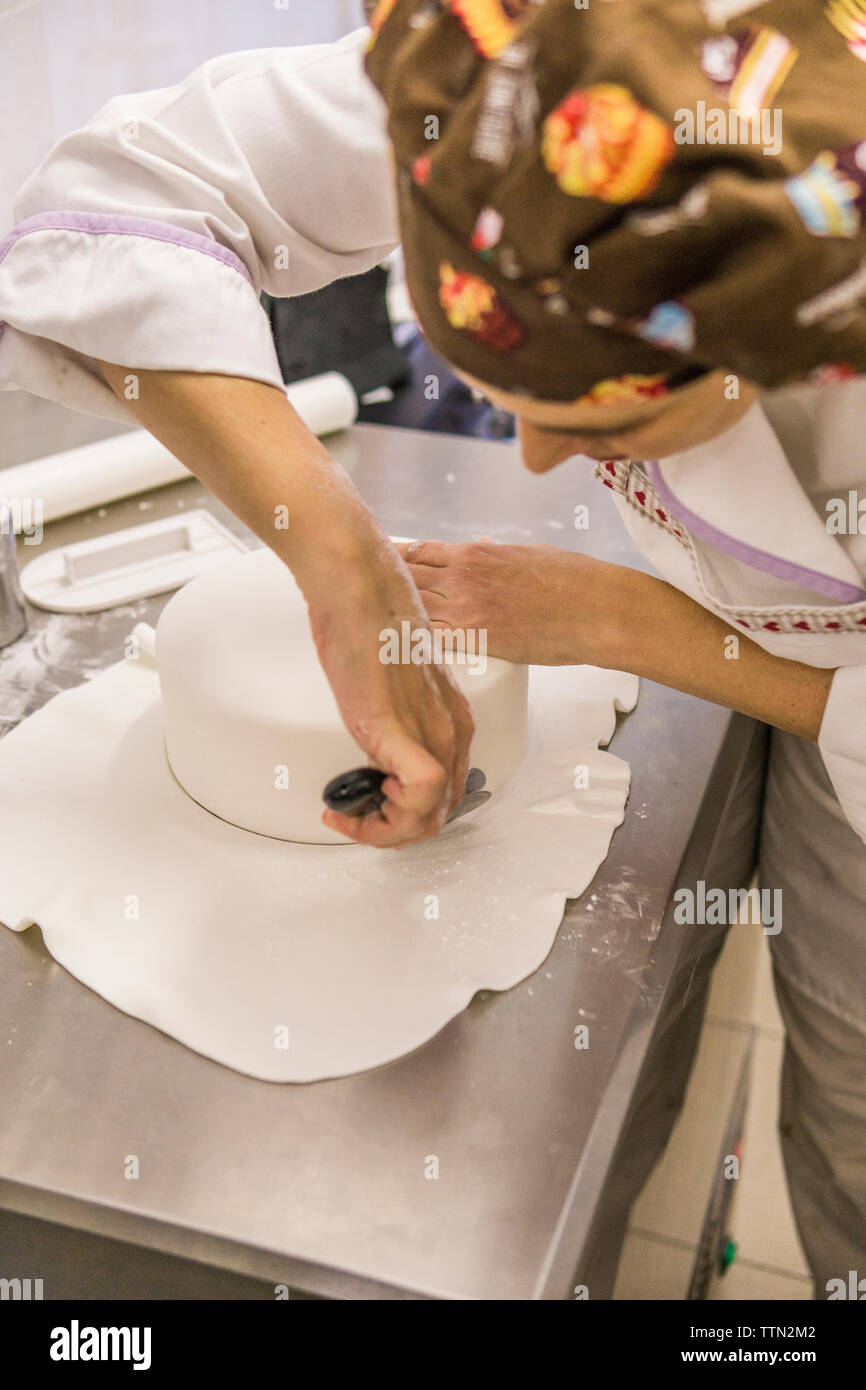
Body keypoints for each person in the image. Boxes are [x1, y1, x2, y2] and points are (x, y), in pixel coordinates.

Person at [1, 0, 865, 1292]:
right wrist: (332, 549)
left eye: (606, 424)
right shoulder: (521, 96)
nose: (529, 459)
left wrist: (621, 620)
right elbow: (114, 205)